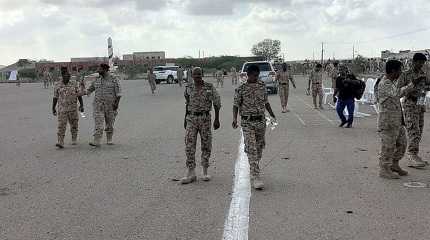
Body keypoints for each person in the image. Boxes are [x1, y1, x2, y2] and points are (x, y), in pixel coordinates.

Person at [233, 64, 276, 190]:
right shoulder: (241, 89)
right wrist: (235, 119)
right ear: (247, 75)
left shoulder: (262, 86)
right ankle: (256, 176)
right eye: (253, 75)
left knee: (259, 148)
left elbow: (266, 102)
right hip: (247, 122)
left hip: (261, 122)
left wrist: (272, 114)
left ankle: (253, 165)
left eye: (257, 75)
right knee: (252, 148)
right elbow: (236, 105)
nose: (255, 78)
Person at [376, 60, 416, 179]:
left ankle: (394, 164)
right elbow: (397, 93)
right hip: (387, 122)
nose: (401, 72)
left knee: (402, 144)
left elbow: (397, 96)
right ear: (393, 70)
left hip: (397, 120)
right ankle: (384, 169)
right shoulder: (384, 83)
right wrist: (411, 85)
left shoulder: (392, 82)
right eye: (400, 69)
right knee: (388, 146)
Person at [181, 67, 221, 184]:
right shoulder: (188, 88)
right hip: (191, 118)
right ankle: (191, 171)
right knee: (189, 144)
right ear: (192, 76)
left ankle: (205, 170)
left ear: (202, 75)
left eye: (199, 74)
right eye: (195, 74)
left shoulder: (209, 87)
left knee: (206, 144)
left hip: (205, 118)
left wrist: (217, 119)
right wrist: (185, 118)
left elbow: (217, 103)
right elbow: (187, 104)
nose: (197, 76)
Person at [397, 53, 429, 168]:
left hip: (420, 103)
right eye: (419, 62)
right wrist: (414, 83)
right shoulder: (405, 74)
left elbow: (426, 86)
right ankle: (411, 155)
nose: (421, 65)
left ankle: (415, 154)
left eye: (423, 63)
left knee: (419, 130)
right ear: (414, 62)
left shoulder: (423, 74)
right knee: (413, 130)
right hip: (410, 104)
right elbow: (399, 91)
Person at [86, 64, 122, 147]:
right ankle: (97, 141)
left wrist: (116, 104)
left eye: (100, 69)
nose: (98, 70)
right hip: (98, 105)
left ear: (105, 69)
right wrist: (80, 93)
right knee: (98, 123)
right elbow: (90, 89)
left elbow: (119, 93)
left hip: (110, 105)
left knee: (110, 123)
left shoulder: (114, 79)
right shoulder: (97, 79)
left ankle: (109, 139)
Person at [52, 67, 84, 148]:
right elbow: (55, 97)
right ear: (62, 76)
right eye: (66, 75)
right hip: (62, 109)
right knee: (61, 125)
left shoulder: (74, 83)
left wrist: (82, 105)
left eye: (69, 75)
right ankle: (60, 141)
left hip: (73, 108)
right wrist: (53, 108)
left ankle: (74, 138)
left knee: (74, 125)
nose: (68, 77)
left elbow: (79, 95)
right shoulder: (57, 84)